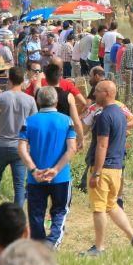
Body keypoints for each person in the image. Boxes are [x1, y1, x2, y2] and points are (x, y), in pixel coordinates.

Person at [81, 80, 133, 256]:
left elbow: (102, 145)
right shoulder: (121, 114)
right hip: (116, 168)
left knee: (99, 208)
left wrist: (96, 173)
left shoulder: (104, 116)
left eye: (98, 91)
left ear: (107, 93)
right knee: (112, 205)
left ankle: (99, 248)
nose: (94, 94)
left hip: (104, 167)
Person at [17, 87, 77, 249]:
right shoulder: (67, 121)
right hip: (61, 176)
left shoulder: (29, 121)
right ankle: (52, 242)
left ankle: (38, 246)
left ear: (37, 101)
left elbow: (21, 148)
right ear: (56, 101)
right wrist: (56, 169)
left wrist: (33, 170)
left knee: (36, 214)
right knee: (60, 211)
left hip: (35, 178)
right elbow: (72, 148)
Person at [0, 66, 38, 222]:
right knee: (19, 184)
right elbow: (34, 124)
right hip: (20, 147)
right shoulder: (30, 100)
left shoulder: (2, 97)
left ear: (9, 79)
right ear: (22, 81)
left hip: (2, 144)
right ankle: (17, 216)